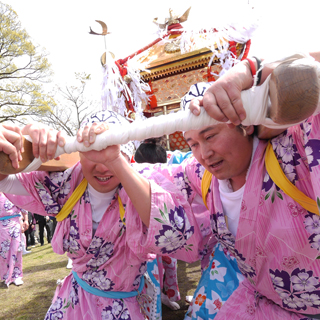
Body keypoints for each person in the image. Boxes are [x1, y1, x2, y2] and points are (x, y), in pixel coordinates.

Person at [82, 52, 320, 319]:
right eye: (193, 143)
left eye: (211, 135)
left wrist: (247, 70)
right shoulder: (201, 174)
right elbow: (150, 176)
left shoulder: (292, 153)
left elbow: (309, 75)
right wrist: (111, 158)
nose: (204, 153)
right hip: (258, 302)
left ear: (245, 123)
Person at [0, 110, 203, 320]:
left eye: (113, 153)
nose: (102, 166)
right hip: (74, 301)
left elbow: (176, 238)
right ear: (79, 153)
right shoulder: (67, 181)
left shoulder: (145, 182)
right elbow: (5, 180)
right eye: (92, 152)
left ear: (127, 156)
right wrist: (21, 142)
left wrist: (115, 159)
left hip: (124, 306)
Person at [135, 137, 181, 311]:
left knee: (168, 266)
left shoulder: (168, 174)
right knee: (151, 270)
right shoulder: (134, 176)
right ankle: (151, 304)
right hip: (144, 233)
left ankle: (166, 296)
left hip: (165, 228)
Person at [0, 192, 28, 286]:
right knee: (4, 252)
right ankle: (6, 276)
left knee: (17, 249)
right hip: (1, 227)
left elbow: (22, 205)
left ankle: (17, 275)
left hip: (14, 223)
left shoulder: (10, 192)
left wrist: (26, 220)